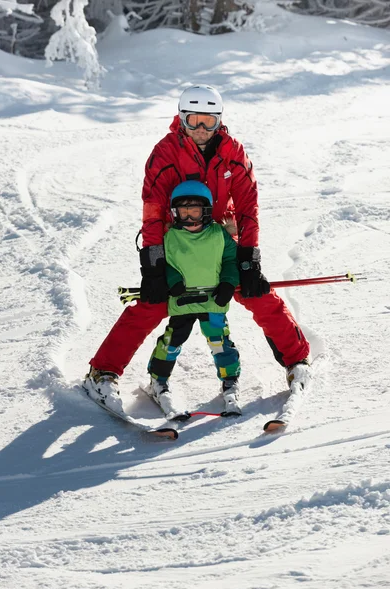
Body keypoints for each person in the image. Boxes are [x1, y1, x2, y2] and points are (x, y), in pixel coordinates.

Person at [83, 84, 310, 409]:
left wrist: (248, 259)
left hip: (219, 238)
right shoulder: (164, 153)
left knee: (257, 293)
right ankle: (101, 373)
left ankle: (297, 360)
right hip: (180, 241)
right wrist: (155, 266)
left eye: (208, 121)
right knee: (153, 304)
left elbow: (248, 207)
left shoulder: (233, 152)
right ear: (181, 119)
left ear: (219, 121)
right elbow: (153, 211)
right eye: (193, 121)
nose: (200, 130)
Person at [146, 180, 241, 420]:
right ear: (175, 213)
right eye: (183, 212)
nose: (189, 219)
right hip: (182, 303)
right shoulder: (171, 237)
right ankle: (158, 381)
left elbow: (231, 259)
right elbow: (166, 264)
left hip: (213, 301)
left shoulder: (218, 234)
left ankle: (230, 381)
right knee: (172, 341)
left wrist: (228, 282)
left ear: (206, 211)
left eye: (195, 212)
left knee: (219, 340)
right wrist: (173, 280)